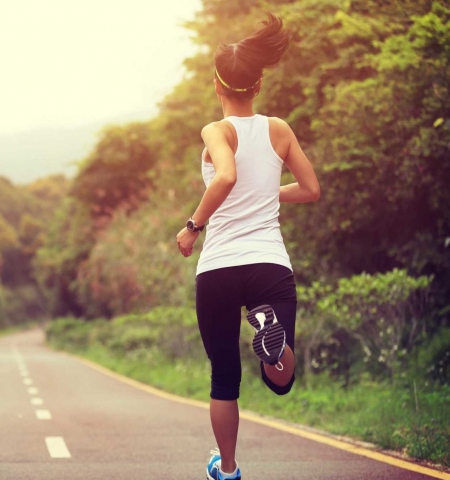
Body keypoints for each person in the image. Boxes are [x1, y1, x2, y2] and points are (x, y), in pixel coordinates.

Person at [175, 12, 321, 480]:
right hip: (269, 264)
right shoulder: (279, 129)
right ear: (257, 85)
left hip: (218, 267)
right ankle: (273, 348)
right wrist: (268, 194)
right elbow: (311, 189)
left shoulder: (216, 132)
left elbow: (227, 175)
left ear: (217, 87)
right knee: (280, 382)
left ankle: (230, 469)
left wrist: (193, 226)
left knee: (224, 379)